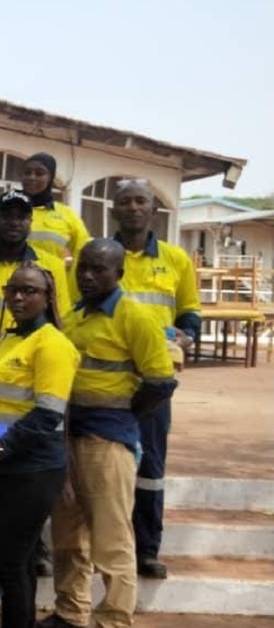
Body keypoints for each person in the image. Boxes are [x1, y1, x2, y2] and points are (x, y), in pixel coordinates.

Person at [42, 239, 176, 628]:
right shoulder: (75, 315)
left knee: (111, 541)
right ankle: (71, 611)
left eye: (98, 269)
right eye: (82, 267)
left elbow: (160, 382)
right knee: (68, 537)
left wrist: (122, 413)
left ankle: (114, 618)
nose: (86, 275)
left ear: (118, 274)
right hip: (68, 438)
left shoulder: (135, 317)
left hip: (108, 441)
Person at [0, 264, 80, 628]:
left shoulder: (53, 345)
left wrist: (1, 446)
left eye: (29, 290)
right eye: (13, 289)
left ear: (48, 298)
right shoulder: (8, 340)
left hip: (31, 468)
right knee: (20, 559)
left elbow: (47, 415)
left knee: (10, 562)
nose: (18, 296)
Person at [109, 179, 201, 580]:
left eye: (140, 201)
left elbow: (190, 314)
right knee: (104, 467)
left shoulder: (176, 260)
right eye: (125, 201)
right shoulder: (98, 256)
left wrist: (187, 335)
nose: (133, 208)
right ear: (114, 210)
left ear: (153, 210)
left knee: (151, 467)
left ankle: (147, 549)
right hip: (106, 380)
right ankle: (105, 547)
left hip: (154, 381)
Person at [0, 189, 70, 369]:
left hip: (33, 354)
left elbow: (61, 317)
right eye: (6, 216)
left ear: (30, 222)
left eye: (21, 217)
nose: (14, 222)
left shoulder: (52, 266)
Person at [0, 152, 90, 262]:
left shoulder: (67, 215)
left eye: (39, 173)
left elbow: (85, 253)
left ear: (50, 178)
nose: (32, 177)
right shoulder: (3, 211)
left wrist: (67, 274)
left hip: (52, 280)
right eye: (27, 172)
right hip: (7, 280)